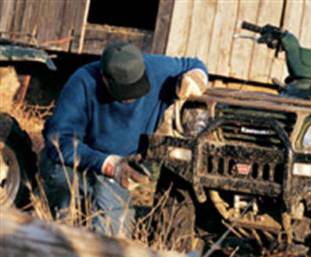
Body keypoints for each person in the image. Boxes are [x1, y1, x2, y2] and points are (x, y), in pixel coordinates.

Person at [40, 42, 208, 237]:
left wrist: (196, 79)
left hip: (120, 171)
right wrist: (109, 164)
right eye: (125, 93)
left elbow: (194, 64)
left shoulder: (158, 69)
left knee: (114, 235)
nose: (132, 99)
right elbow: (59, 141)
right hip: (80, 163)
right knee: (66, 215)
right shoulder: (83, 82)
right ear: (104, 78)